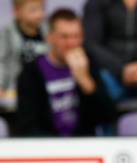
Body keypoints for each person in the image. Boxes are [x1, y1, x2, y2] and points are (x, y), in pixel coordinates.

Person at [16, 8, 115, 136]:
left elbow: (108, 116)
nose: (72, 43)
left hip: (83, 146)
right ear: (50, 37)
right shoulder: (31, 72)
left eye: (76, 36)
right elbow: (27, 126)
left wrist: (85, 81)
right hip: (46, 147)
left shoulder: (89, 63)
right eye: (64, 37)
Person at [0, 0, 47, 111]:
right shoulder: (7, 33)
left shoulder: (47, 30)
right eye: (33, 10)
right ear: (17, 12)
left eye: (42, 9)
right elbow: (1, 61)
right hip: (16, 92)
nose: (40, 14)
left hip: (42, 90)